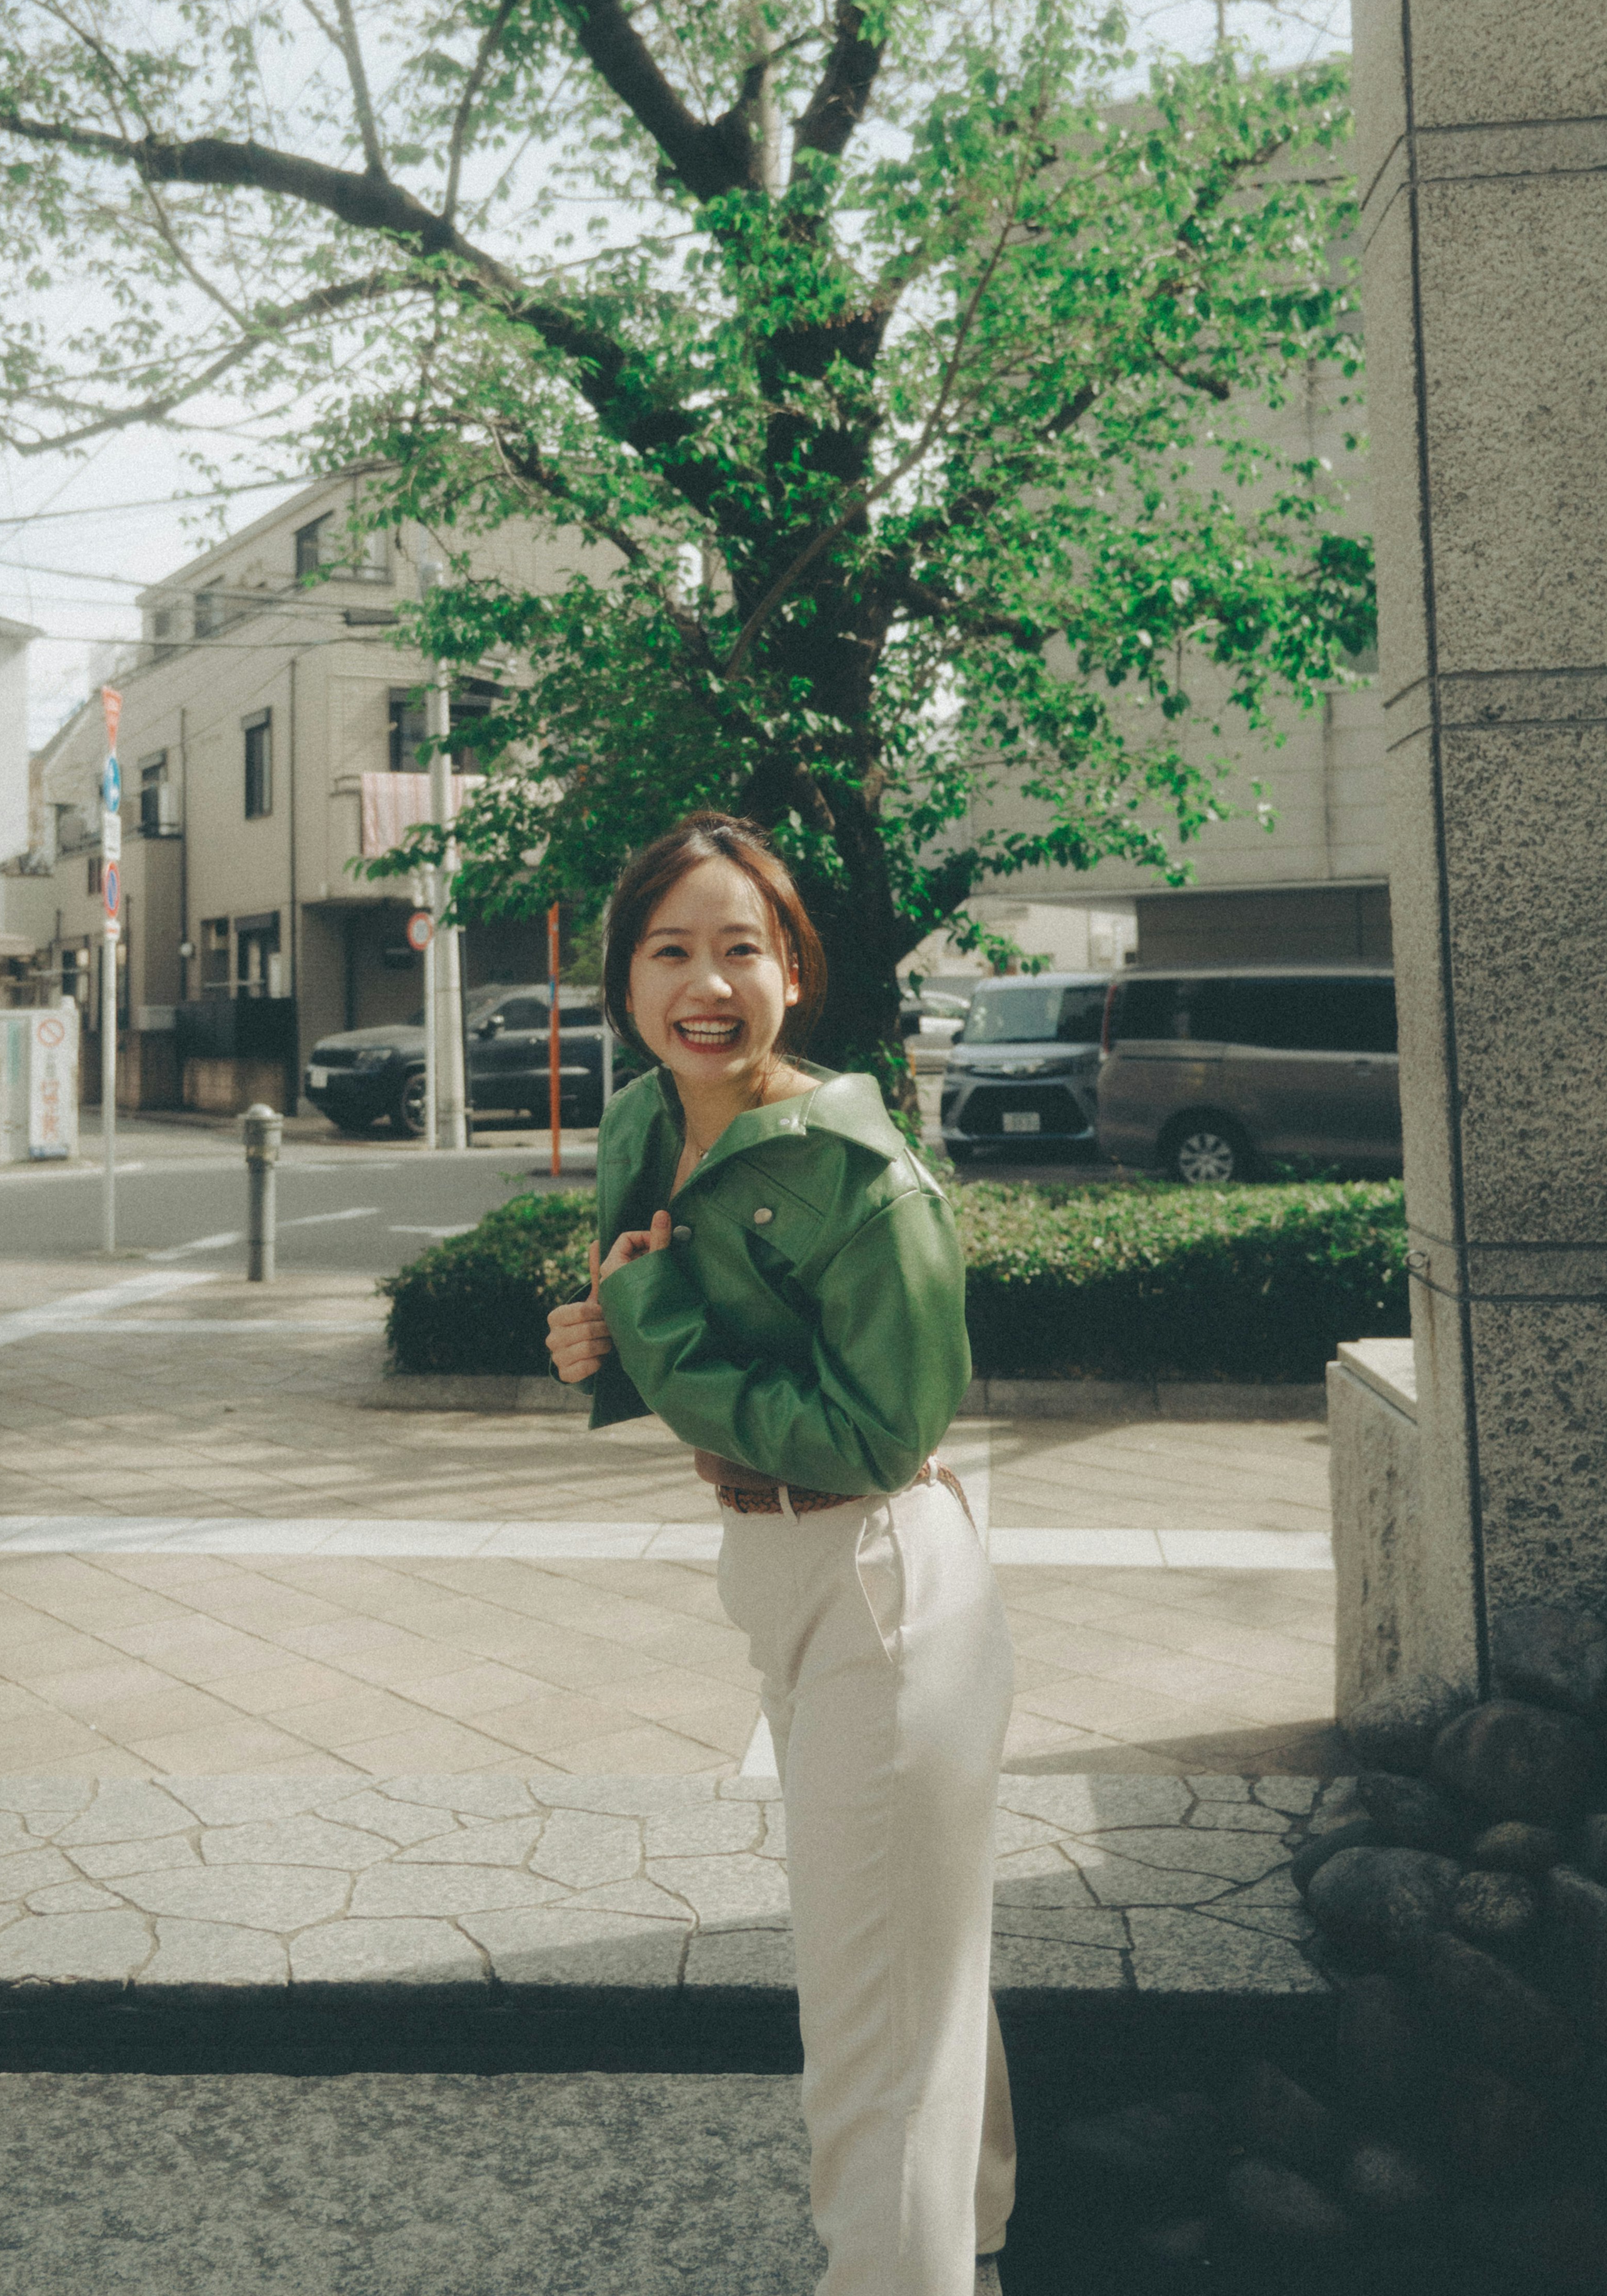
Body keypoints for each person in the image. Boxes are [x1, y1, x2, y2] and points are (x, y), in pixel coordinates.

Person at [547, 812, 1016, 2296]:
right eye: (669, 950)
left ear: (794, 972)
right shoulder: (646, 1122)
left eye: (740, 947)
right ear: (624, 981)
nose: (706, 981)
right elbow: (656, 1293)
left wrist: (654, 1335)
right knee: (916, 1971)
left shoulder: (863, 1177)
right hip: (781, 1569)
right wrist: (607, 1341)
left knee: (871, 2025)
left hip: (884, 1573)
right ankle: (974, 2249)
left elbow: (881, 1433)